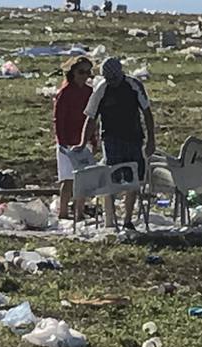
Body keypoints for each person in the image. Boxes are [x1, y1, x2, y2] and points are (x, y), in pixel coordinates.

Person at [75, 57, 155, 230]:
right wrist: (83, 143)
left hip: (134, 139)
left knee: (133, 180)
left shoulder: (134, 86)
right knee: (112, 179)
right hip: (111, 140)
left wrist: (151, 140)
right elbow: (91, 118)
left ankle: (127, 219)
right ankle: (111, 219)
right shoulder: (101, 89)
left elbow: (147, 113)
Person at [53, 56, 96, 223]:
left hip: (83, 140)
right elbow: (59, 119)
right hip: (67, 142)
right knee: (67, 179)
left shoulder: (88, 92)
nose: (84, 76)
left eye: (87, 72)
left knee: (82, 178)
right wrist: (61, 141)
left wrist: (92, 138)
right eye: (81, 72)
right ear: (72, 73)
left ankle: (79, 212)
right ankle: (63, 212)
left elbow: (91, 117)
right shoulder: (65, 93)